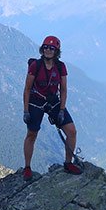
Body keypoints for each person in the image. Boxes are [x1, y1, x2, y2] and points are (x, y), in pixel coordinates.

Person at [22, 35, 82, 179]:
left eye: (52, 48)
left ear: (56, 51)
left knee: (72, 131)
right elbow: (27, 89)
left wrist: (61, 110)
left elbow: (63, 90)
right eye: (46, 47)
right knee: (32, 134)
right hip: (36, 101)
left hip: (53, 101)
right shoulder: (35, 66)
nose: (48, 50)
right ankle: (27, 167)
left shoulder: (60, 67)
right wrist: (26, 111)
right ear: (42, 49)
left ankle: (68, 163)